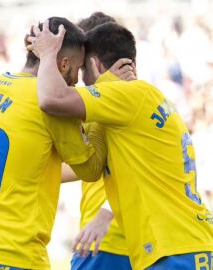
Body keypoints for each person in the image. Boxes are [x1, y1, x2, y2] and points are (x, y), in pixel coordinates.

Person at [27, 20, 213, 269]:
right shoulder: (138, 103)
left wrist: (47, 55)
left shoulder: (130, 96)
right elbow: (88, 167)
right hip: (189, 245)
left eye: (82, 69)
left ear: (94, 63)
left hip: (176, 251)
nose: (79, 81)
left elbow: (53, 98)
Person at [0, 17, 107, 270]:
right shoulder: (51, 103)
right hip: (10, 254)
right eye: (78, 70)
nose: (77, 80)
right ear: (63, 63)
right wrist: (103, 107)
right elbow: (90, 168)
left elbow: (23, 167)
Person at [70, 12, 131, 270]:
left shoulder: (112, 102)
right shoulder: (124, 99)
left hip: (103, 241)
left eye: (82, 66)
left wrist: (104, 215)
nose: (80, 76)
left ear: (94, 61)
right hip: (132, 242)